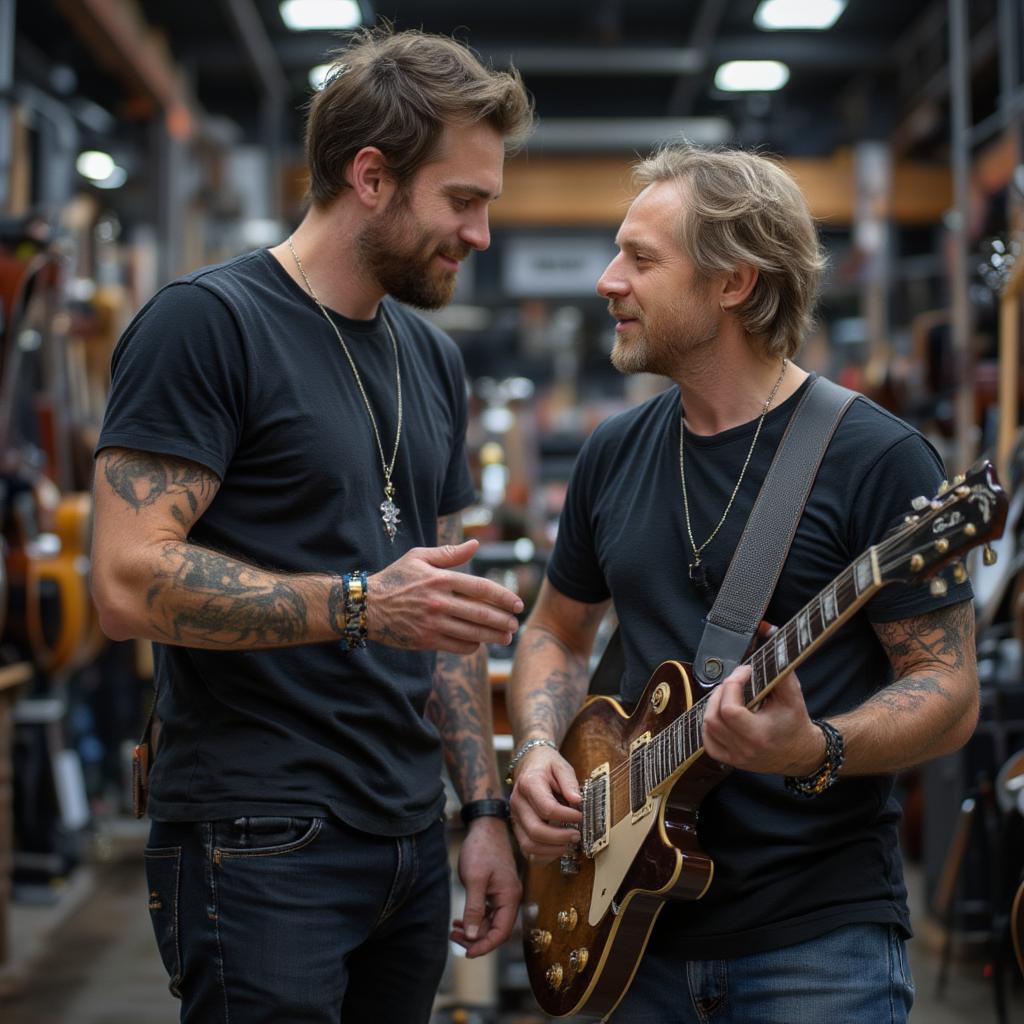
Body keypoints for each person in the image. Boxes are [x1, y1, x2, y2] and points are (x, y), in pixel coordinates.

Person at [90, 28, 534, 1024]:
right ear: (371, 175)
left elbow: (443, 613)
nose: (479, 234)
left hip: (409, 837)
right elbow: (125, 583)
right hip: (258, 834)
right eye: (463, 201)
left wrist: (481, 808)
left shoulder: (431, 359)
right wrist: (359, 604)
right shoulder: (207, 324)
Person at [506, 144, 979, 1023]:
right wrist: (536, 753)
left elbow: (948, 691)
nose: (608, 280)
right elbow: (555, 632)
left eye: (641, 259)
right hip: (630, 939)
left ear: (734, 283)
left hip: (816, 944)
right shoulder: (614, 452)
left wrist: (816, 748)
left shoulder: (877, 457)